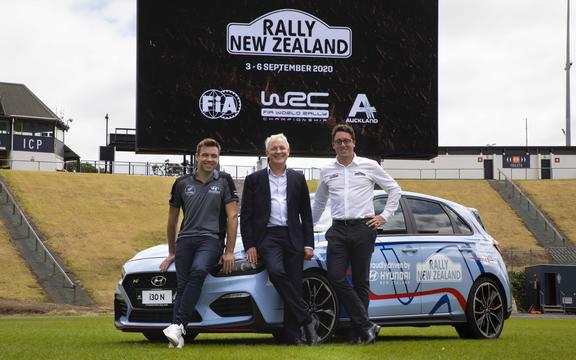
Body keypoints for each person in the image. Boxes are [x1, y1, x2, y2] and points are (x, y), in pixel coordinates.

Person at [312, 124, 401, 344]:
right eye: (338, 141)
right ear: (333, 145)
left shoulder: (369, 166)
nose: (343, 145)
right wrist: (307, 228)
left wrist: (384, 217)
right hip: (338, 230)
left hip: (364, 228)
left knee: (361, 282)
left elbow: (394, 189)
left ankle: (358, 333)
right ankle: (366, 325)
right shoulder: (326, 171)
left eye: (346, 141)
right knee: (335, 276)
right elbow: (320, 202)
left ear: (354, 143)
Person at [240, 133, 319, 345]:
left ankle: (293, 336)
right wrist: (250, 245)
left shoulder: (297, 178)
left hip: (293, 236)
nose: (278, 152)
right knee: (276, 271)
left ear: (288, 151)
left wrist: (308, 243)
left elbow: (306, 214)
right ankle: (307, 318)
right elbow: (245, 216)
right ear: (267, 152)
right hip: (268, 237)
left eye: (282, 148)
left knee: (293, 284)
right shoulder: (253, 180)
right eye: (274, 148)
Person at [160, 138, 239, 349]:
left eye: (214, 156)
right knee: (183, 284)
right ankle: (177, 335)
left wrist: (229, 251)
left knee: (198, 271)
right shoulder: (182, 183)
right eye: (205, 155)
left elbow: (233, 217)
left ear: (218, 158)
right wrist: (171, 251)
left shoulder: (224, 181)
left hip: (211, 240)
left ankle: (177, 326)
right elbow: (172, 220)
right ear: (197, 156)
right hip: (185, 240)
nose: (209, 159)